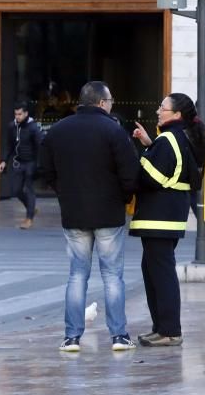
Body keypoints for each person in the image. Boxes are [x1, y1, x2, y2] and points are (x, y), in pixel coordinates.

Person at [36, 81, 139, 352]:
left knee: (77, 275)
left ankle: (71, 337)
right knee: (113, 275)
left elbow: (45, 170)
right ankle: (119, 336)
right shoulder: (114, 131)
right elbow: (130, 173)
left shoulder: (58, 131)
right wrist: (124, 197)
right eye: (111, 100)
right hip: (109, 213)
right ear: (102, 103)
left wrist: (64, 191)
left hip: (74, 212)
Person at [130, 92, 205, 348]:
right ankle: (162, 328)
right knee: (153, 269)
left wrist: (135, 157)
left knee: (160, 273)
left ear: (176, 115)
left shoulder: (169, 139)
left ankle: (170, 331)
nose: (158, 111)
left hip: (158, 217)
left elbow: (150, 176)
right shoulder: (178, 138)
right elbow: (170, 166)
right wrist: (149, 144)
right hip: (168, 217)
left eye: (162, 108)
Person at [0, 101, 43, 229]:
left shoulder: (33, 128)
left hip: (30, 163)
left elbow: (40, 146)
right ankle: (31, 208)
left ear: (26, 114)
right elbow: (9, 146)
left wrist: (39, 164)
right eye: (16, 114)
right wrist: (4, 161)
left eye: (20, 114)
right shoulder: (12, 126)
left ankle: (29, 219)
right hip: (18, 163)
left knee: (29, 189)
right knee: (16, 190)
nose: (17, 117)